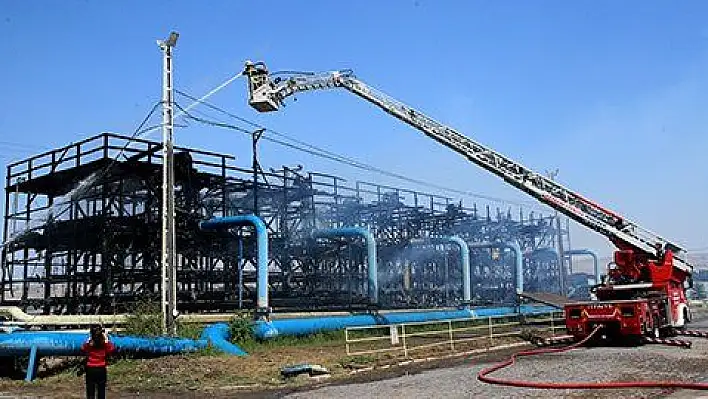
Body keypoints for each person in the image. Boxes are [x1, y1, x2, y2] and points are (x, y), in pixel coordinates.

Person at [80, 324, 115, 399]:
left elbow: (83, 348)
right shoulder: (104, 345)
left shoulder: (89, 344)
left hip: (90, 368)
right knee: (101, 390)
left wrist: (89, 339)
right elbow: (111, 349)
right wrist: (106, 339)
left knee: (90, 390)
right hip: (101, 368)